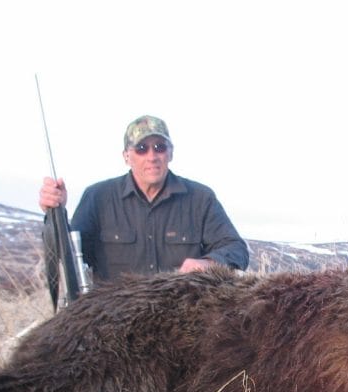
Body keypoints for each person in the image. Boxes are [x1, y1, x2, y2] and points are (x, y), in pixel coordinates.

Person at [38, 115, 248, 282]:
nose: (152, 156)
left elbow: (236, 249)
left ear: (170, 153)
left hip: (183, 321)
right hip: (115, 319)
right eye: (141, 148)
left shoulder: (201, 198)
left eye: (159, 147)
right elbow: (67, 257)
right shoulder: (98, 197)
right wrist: (55, 213)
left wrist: (209, 263)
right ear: (126, 156)